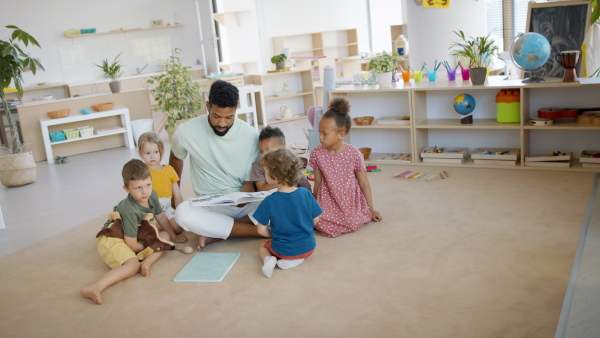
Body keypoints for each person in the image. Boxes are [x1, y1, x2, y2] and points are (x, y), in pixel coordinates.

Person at [170, 80, 265, 251]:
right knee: (182, 213)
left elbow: (250, 182)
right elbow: (176, 157)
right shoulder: (186, 133)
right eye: (216, 116)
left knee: (286, 198)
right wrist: (174, 193)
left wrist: (242, 199)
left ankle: (218, 231)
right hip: (211, 204)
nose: (222, 123)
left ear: (236, 108)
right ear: (208, 106)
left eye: (229, 117)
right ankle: (259, 231)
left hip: (244, 202)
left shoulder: (250, 135)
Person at [81, 159, 172, 305]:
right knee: (132, 265)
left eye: (148, 185)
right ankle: (94, 287)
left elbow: (161, 217)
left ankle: (147, 263)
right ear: (127, 189)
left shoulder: (152, 195)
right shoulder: (129, 209)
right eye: (138, 188)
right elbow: (131, 244)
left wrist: (173, 236)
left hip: (135, 232)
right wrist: (149, 246)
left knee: (165, 237)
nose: (145, 191)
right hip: (114, 237)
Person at [309, 97, 383, 238]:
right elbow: (317, 183)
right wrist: (314, 207)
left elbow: (363, 183)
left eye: (325, 133)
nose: (320, 137)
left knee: (351, 223)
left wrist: (370, 209)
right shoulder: (317, 153)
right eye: (319, 131)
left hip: (349, 200)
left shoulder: (354, 152)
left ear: (341, 134)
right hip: (327, 199)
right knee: (317, 222)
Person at [253, 148, 322, 278]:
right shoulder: (306, 193)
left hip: (282, 250)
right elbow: (316, 220)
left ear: (275, 177)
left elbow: (260, 231)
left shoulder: (269, 201)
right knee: (298, 248)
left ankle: (269, 260)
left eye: (266, 173)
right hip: (309, 247)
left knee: (263, 247)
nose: (264, 175)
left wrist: (276, 235)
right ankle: (296, 258)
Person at [138, 131, 186, 243]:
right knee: (149, 226)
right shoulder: (141, 172)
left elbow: (177, 194)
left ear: (162, 151)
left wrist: (180, 212)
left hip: (167, 208)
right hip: (149, 210)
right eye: (147, 153)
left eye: (156, 152)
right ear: (140, 154)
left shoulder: (169, 170)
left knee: (179, 227)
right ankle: (156, 228)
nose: (152, 156)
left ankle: (159, 229)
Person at [251, 126, 311, 192]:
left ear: (283, 149)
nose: (264, 155)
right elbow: (262, 188)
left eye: (268, 151)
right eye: (261, 151)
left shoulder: (289, 162)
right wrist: (285, 183)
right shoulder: (258, 166)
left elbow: (304, 183)